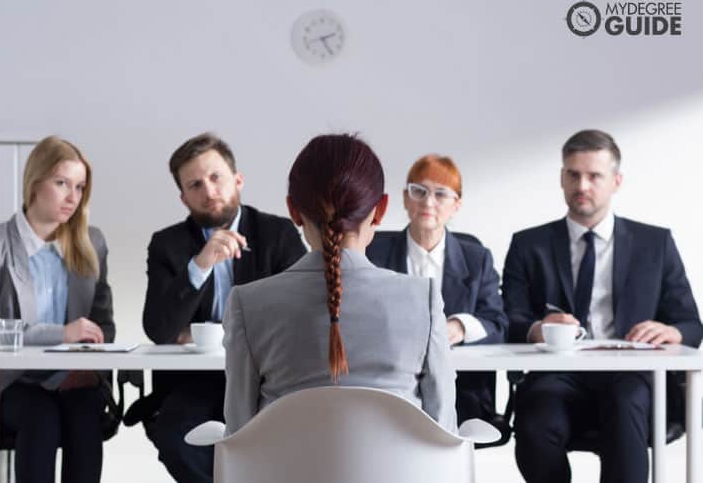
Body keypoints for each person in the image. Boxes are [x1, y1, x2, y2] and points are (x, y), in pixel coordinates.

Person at [502, 129, 702, 483]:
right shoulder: (528, 244)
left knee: (626, 407)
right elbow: (509, 318)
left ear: (616, 181)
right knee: (535, 421)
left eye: (594, 176)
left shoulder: (654, 244)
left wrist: (670, 330)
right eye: (573, 174)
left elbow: (691, 324)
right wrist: (541, 328)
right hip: (556, 374)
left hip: (631, 376)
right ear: (562, 178)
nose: (583, 185)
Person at [223, 133, 457, 435]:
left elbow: (239, 436)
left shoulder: (248, 304)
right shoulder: (421, 300)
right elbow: (444, 433)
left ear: (293, 210)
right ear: (381, 210)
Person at [141, 132, 306, 482]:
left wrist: (194, 333)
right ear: (183, 197)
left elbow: (302, 313)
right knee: (175, 439)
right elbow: (159, 330)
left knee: (285, 443)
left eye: (216, 177)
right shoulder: (167, 244)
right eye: (195, 185)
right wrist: (200, 265)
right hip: (194, 383)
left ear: (237, 179)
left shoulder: (278, 234)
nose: (209, 191)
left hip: (267, 379)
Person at [0, 136, 114, 483]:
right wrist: (62, 334)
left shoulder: (92, 244)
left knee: (86, 411)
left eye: (80, 187)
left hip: (72, 377)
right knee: (41, 418)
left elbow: (103, 323)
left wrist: (91, 366)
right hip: (10, 381)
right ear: (34, 182)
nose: (72, 197)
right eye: (61, 183)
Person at [366, 154, 507, 424]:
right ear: (405, 198)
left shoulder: (477, 259)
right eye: (418, 191)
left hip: (462, 390)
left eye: (441, 194)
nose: (428, 202)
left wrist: (459, 328)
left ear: (457, 204)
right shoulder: (374, 251)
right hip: (389, 386)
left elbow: (498, 324)